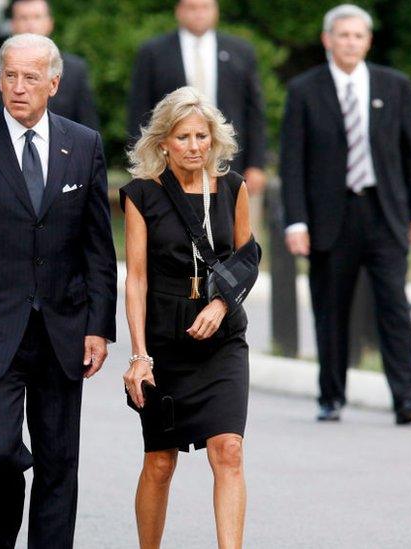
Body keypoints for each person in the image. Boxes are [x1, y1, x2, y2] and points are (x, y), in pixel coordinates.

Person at [0, 33, 117, 548]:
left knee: (58, 460)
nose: (18, 87)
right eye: (9, 75)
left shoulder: (84, 144)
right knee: (2, 451)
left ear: (54, 83)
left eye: (31, 77)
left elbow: (99, 248)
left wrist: (99, 328)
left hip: (63, 329)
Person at [280, 4, 411, 425]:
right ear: (328, 40)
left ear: (368, 41)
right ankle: (331, 396)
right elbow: (293, 161)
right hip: (331, 217)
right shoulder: (305, 90)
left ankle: (406, 396)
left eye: (358, 36)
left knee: (394, 308)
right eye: (343, 35)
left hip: (384, 213)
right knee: (332, 310)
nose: (350, 42)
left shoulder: (394, 85)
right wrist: (296, 221)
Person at [120, 86, 251, 549]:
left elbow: (246, 256)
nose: (194, 147)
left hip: (222, 341)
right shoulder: (140, 195)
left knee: (228, 450)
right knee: (160, 460)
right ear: (163, 143)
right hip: (166, 343)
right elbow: (136, 279)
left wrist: (221, 304)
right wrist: (139, 356)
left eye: (201, 136)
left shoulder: (234, 188)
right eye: (183, 137)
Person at [126, 0, 266, 208]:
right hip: (170, 166)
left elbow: (254, 111)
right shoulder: (153, 52)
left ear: (216, 10)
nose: (199, 14)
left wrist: (256, 163)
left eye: (205, 7)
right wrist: (145, 161)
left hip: (230, 161)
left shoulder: (240, 51)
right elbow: (139, 110)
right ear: (179, 11)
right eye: (192, 8)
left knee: (233, 232)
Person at [0, 0, 100, 130]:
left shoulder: (75, 70)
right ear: (13, 24)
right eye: (23, 18)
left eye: (36, 17)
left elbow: (88, 124)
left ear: (50, 23)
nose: (30, 24)